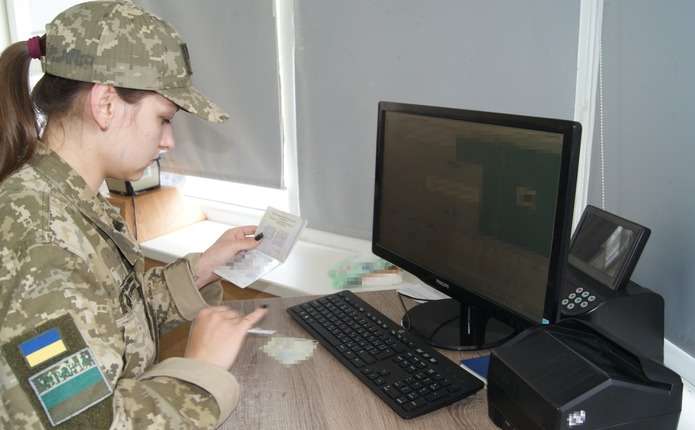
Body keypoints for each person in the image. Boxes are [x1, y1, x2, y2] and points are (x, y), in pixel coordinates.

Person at [0, 1, 268, 428]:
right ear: (106, 103)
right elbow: (83, 423)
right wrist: (200, 370)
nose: (168, 142)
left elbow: (107, 317)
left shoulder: (66, 200)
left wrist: (202, 268)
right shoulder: (45, 240)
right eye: (163, 119)